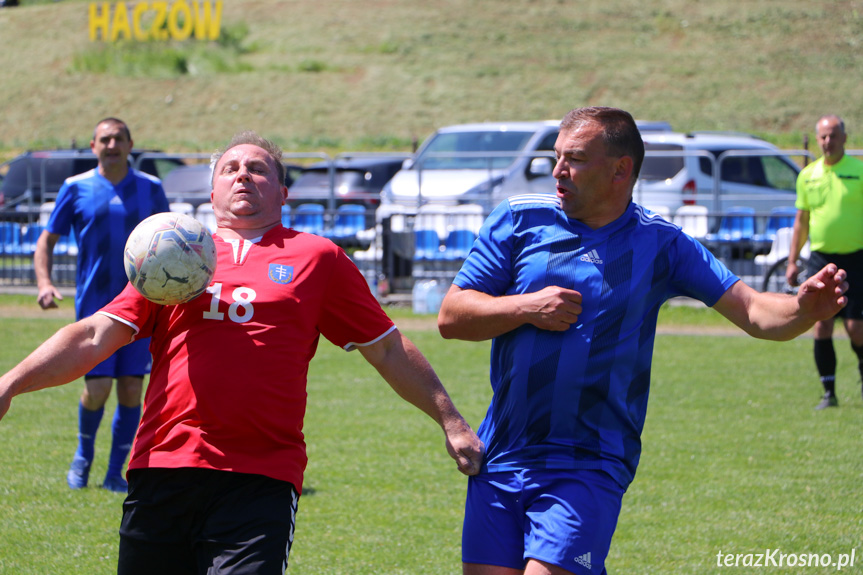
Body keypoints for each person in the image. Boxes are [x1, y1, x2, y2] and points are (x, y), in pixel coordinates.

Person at [1, 131, 483, 574]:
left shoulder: (319, 258)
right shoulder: (169, 254)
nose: (242, 175)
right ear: (211, 194)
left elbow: (387, 349)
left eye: (258, 168)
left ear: (283, 192)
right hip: (163, 466)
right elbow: (93, 336)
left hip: (261, 476)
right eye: (229, 168)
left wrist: (451, 420)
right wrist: (11, 382)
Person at [437, 107, 848, 575]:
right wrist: (525, 306)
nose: (558, 171)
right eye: (557, 157)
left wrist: (803, 308)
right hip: (503, 456)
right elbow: (452, 317)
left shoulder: (661, 243)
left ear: (620, 169)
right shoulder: (517, 220)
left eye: (574, 159)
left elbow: (754, 311)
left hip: (588, 464)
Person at [33, 117, 170, 492]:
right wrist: (44, 283)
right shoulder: (75, 188)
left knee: (130, 389)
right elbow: (46, 241)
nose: (112, 145)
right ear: (93, 146)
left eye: (118, 139)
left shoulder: (151, 188)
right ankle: (83, 457)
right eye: (105, 139)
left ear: (130, 144)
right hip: (96, 307)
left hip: (144, 305)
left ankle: (116, 473)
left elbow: (172, 240)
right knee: (97, 391)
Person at [786, 114, 863, 410]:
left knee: (857, 328)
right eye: (823, 137)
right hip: (821, 258)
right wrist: (793, 261)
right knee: (822, 325)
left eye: (833, 135)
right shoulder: (808, 175)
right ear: (817, 140)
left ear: (844, 137)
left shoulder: (858, 171)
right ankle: (828, 392)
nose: (827, 142)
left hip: (857, 259)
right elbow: (801, 220)